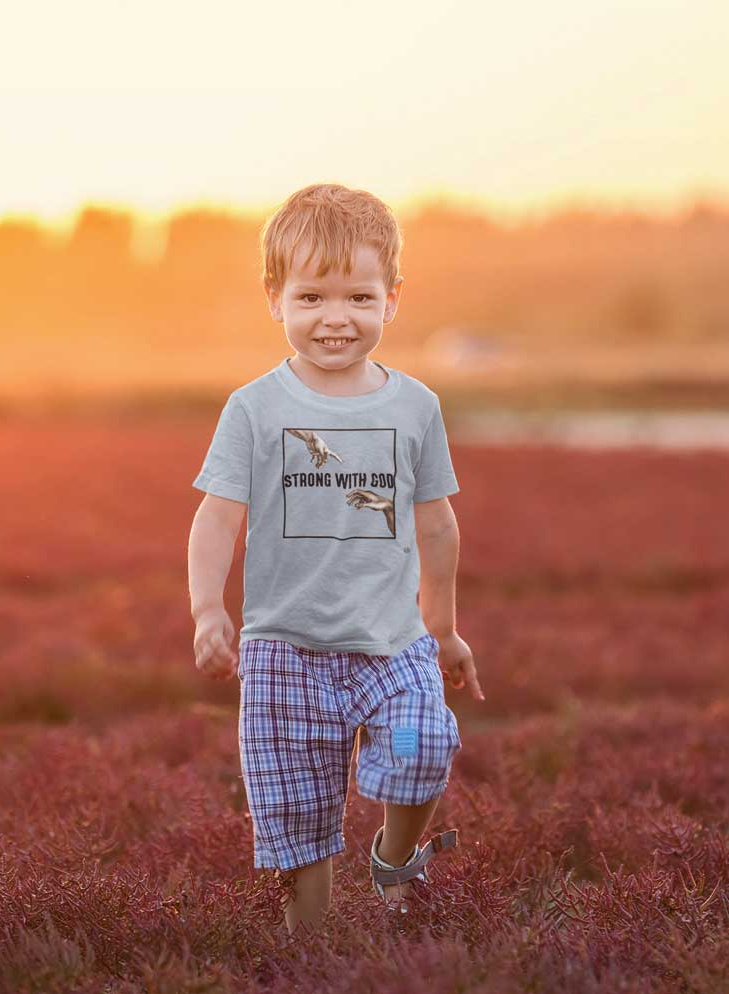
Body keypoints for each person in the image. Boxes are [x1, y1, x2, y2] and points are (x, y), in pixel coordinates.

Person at [188, 182, 484, 936]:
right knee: (297, 814)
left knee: (425, 743)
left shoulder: (415, 405)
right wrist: (207, 610)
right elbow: (217, 517)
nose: (335, 318)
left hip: (393, 646)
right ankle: (312, 951)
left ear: (392, 300)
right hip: (285, 651)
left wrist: (443, 631)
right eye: (312, 296)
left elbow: (438, 525)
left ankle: (395, 856)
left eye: (358, 296)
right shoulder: (254, 408)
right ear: (274, 297)